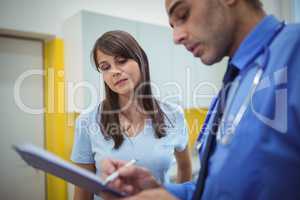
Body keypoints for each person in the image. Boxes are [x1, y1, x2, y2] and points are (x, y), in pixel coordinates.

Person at [99, 0, 300, 199]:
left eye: (183, 15)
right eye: (105, 67)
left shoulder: (294, 54)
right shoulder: (231, 88)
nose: (176, 37)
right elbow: (214, 189)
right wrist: (162, 192)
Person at [71, 30, 192, 200]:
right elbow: (82, 191)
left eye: (121, 61)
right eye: (105, 67)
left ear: (141, 60)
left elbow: (185, 167)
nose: (114, 71)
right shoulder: (87, 121)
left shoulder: (174, 115)